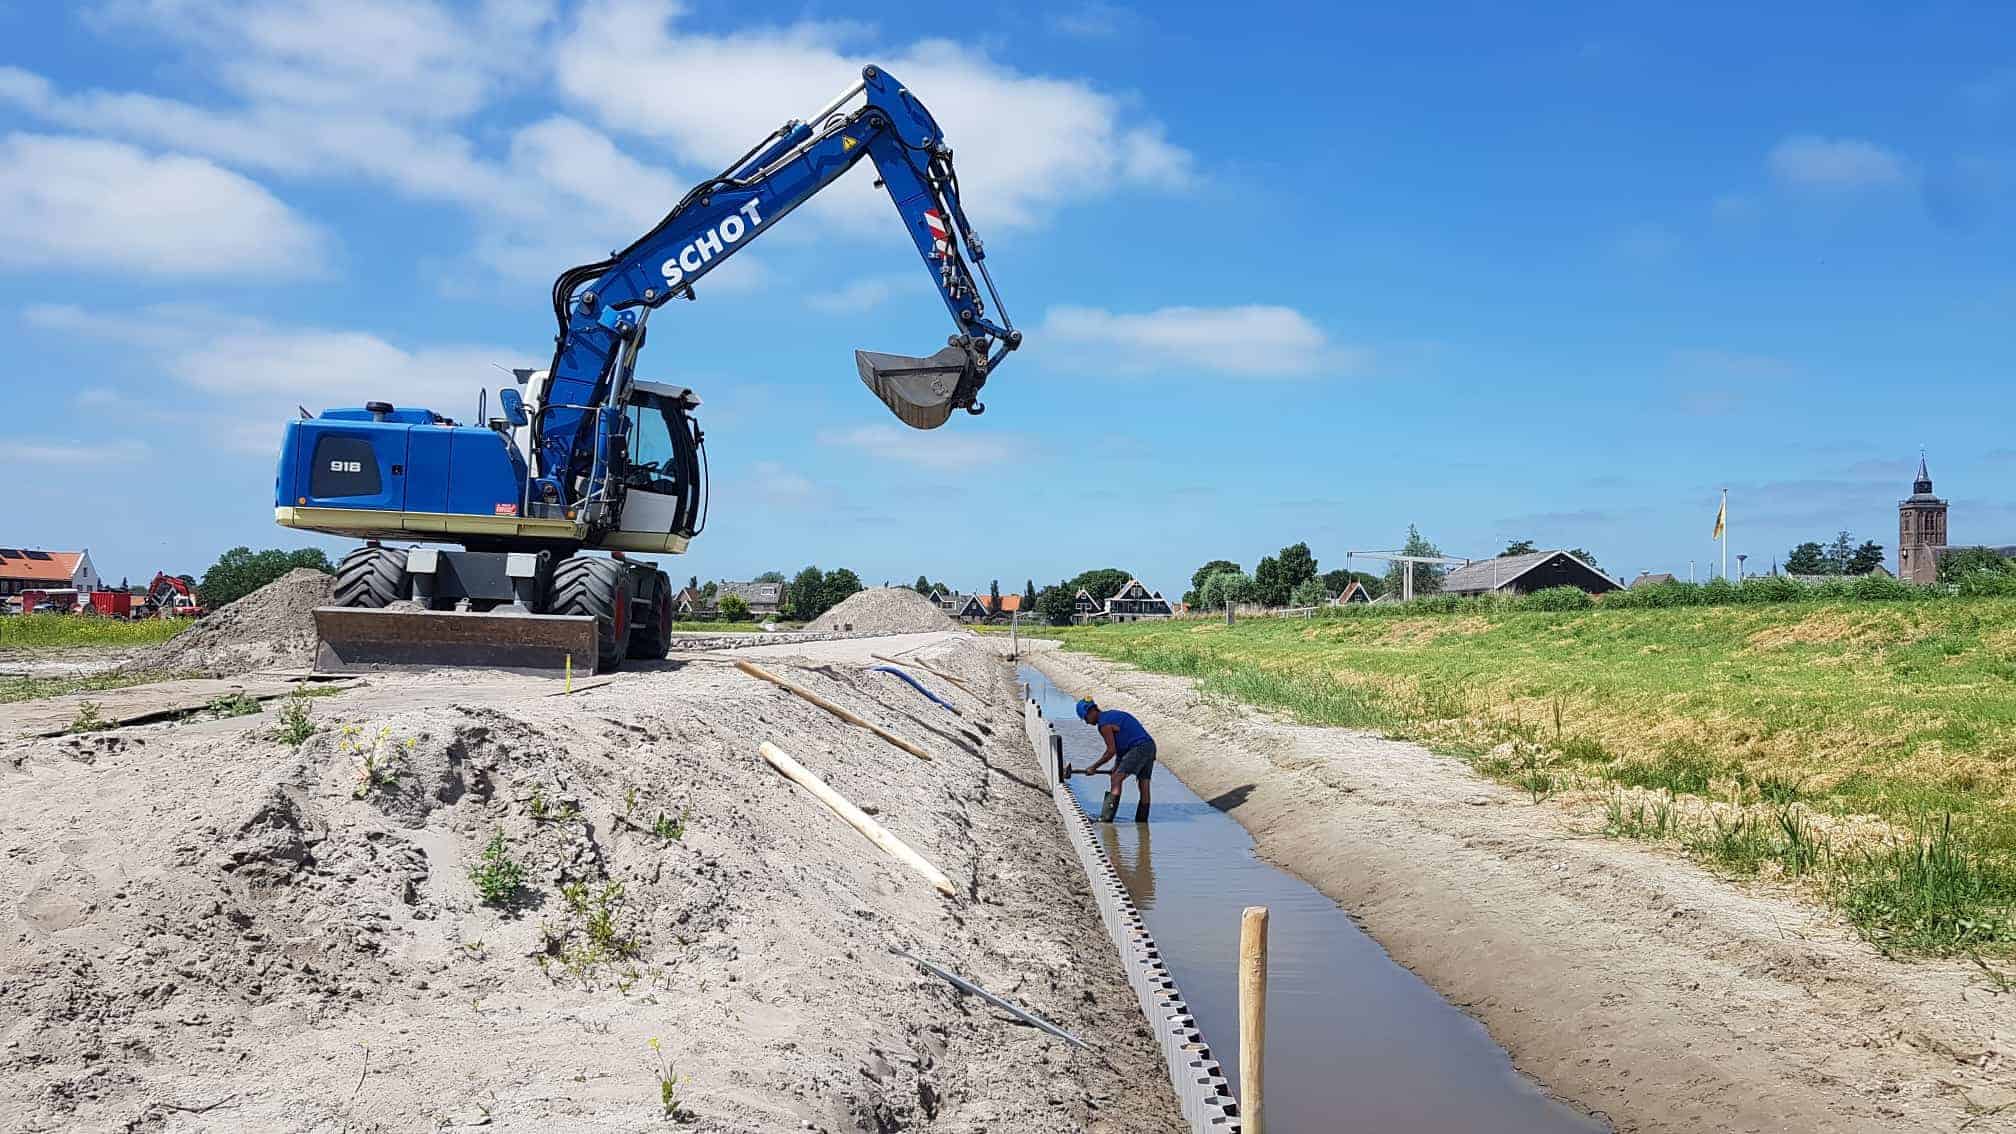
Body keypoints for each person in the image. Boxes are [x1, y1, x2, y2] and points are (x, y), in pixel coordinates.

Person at [1076, 697, 1155, 822]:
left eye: (1085, 718)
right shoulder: (1110, 716)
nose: (1086, 722)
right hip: (1149, 746)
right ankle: (1142, 822)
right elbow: (1121, 746)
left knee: (1116, 779)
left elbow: (1110, 751)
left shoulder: (1104, 725)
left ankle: (1106, 819)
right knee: (1144, 784)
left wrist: (1093, 767)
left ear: (1091, 712)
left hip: (1139, 747)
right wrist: (1117, 765)